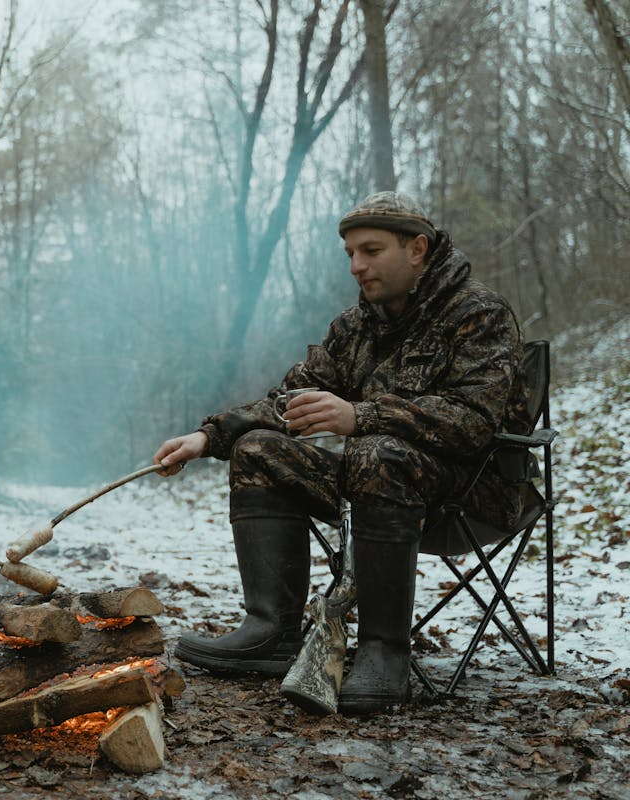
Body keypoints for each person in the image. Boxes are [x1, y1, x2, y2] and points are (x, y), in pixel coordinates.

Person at [152, 191, 530, 714]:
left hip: (472, 493)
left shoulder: (479, 314)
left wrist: (361, 415)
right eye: (350, 253)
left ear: (417, 248)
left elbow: (472, 422)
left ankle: (384, 652)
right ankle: (271, 632)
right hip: (376, 489)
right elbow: (290, 399)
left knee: (375, 452)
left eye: (371, 251)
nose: (356, 266)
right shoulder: (354, 328)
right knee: (259, 450)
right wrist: (209, 437)